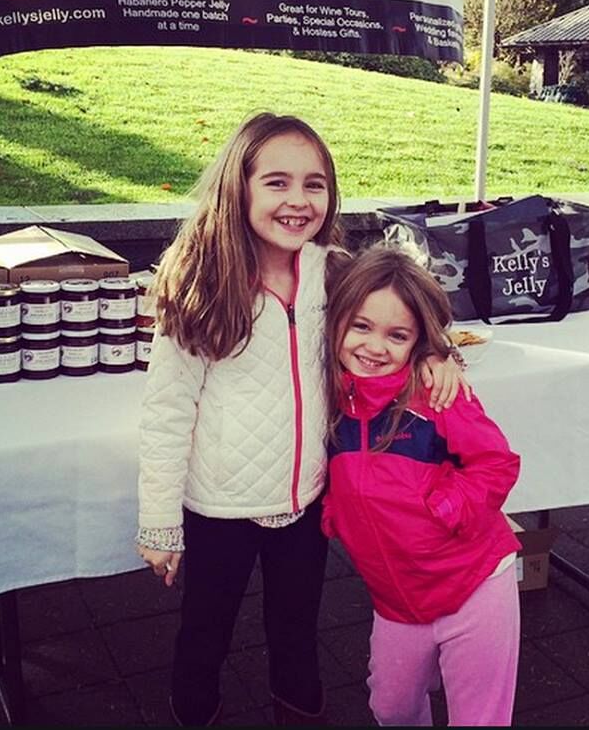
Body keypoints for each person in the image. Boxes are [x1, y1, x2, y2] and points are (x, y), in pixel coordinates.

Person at [136, 112, 464, 727]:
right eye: (277, 182)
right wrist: (159, 522)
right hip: (218, 506)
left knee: (297, 629)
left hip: (309, 499)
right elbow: (166, 411)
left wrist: (437, 350)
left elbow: (406, 311)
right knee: (205, 632)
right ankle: (194, 711)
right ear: (240, 187)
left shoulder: (336, 273)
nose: (298, 200)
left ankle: (299, 711)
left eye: (314, 184)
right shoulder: (201, 283)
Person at [322, 245, 522, 727]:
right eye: (361, 326)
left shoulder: (437, 393)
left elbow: (496, 462)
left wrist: (451, 508)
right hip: (397, 601)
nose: (375, 346)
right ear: (336, 323)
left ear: (418, 343)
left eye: (397, 335)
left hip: (475, 583)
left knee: (479, 719)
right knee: (390, 708)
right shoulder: (327, 395)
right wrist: (335, 512)